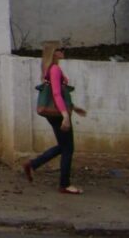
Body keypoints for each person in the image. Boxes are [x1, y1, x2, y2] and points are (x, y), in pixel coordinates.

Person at [22, 42, 87, 194]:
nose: (63, 51)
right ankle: (64, 184)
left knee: (63, 146)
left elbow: (57, 94)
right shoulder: (55, 69)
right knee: (68, 148)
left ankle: (33, 165)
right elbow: (57, 94)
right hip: (58, 114)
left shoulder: (50, 68)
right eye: (60, 49)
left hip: (55, 113)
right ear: (54, 53)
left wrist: (73, 108)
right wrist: (65, 116)